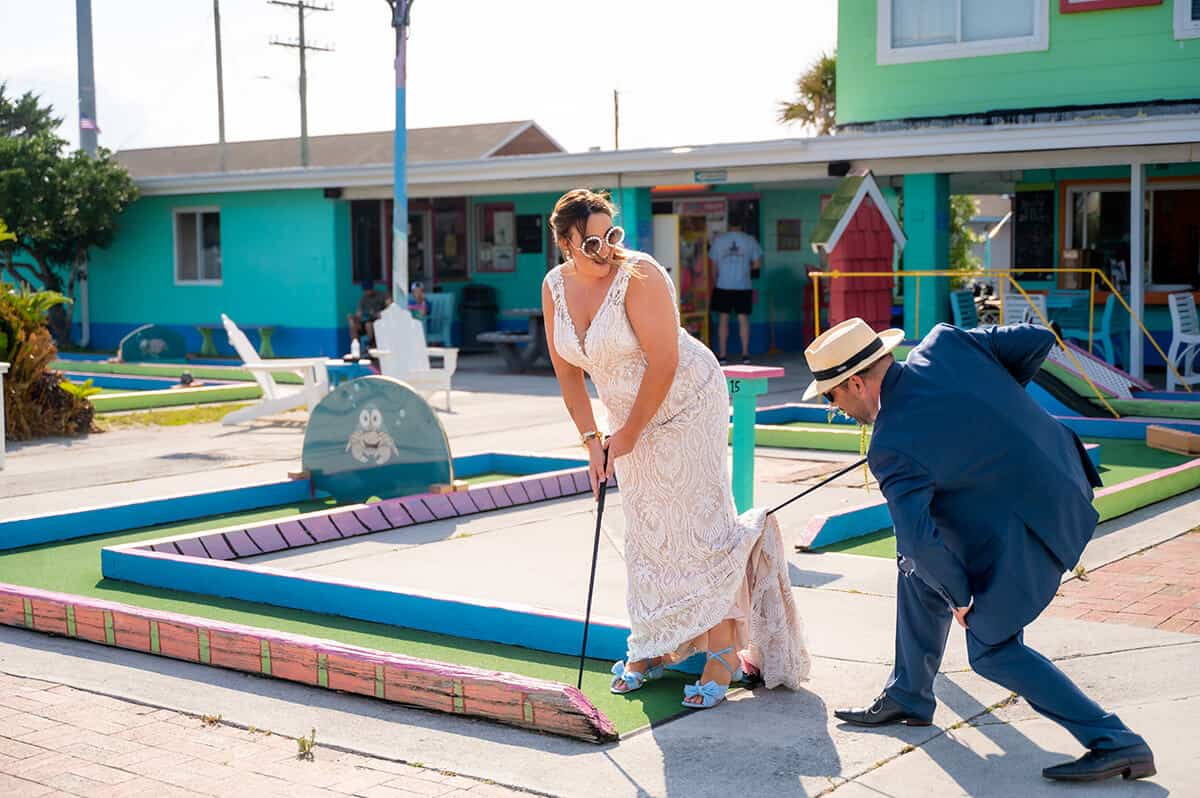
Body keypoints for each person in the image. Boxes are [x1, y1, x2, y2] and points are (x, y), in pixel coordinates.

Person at [806, 318, 1155, 783]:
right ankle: (909, 693)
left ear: (854, 382)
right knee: (913, 567)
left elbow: (917, 535)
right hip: (1064, 478)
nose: (834, 408)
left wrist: (960, 597)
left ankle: (1117, 742)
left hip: (1034, 528)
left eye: (831, 397)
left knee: (990, 648)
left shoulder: (891, 445)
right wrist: (998, 410)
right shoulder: (945, 344)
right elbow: (1037, 338)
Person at [542, 189, 809, 708]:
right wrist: (593, 440)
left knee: (697, 527)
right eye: (592, 241)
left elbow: (664, 362)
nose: (606, 250)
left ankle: (723, 651)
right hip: (626, 415)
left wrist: (630, 435)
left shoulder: (639, 275)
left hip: (685, 400)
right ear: (565, 243)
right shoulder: (554, 286)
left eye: (611, 235)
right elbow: (567, 372)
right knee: (648, 530)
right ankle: (652, 642)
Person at [708, 215, 763, 365]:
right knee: (743, 319)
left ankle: (723, 355)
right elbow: (757, 264)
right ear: (742, 225)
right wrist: (745, 270)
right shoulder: (750, 240)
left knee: (723, 320)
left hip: (723, 285)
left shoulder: (719, 241)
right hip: (743, 286)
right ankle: (745, 354)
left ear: (728, 225)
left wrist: (716, 281)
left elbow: (713, 267)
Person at [347, 280, 390, 345]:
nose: (367, 292)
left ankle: (371, 345)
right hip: (366, 320)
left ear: (372, 288)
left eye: (368, 290)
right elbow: (359, 313)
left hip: (377, 320)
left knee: (368, 324)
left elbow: (389, 306)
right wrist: (354, 317)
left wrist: (380, 313)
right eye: (365, 290)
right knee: (352, 323)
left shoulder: (381, 296)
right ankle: (355, 344)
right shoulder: (364, 299)